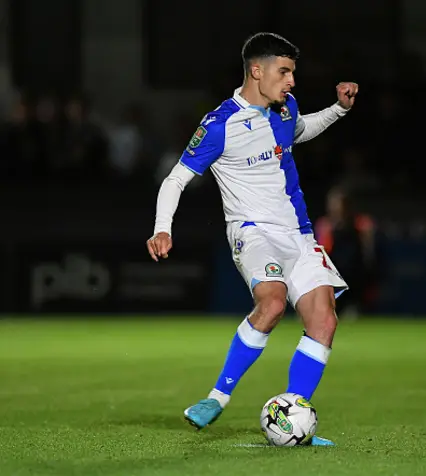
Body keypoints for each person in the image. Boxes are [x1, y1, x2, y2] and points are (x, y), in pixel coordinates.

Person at [146, 32, 358, 446]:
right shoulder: (219, 124)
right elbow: (175, 180)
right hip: (252, 231)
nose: (292, 81)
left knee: (324, 319)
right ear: (256, 71)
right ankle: (217, 397)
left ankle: (291, 417)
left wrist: (338, 110)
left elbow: (300, 130)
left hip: (298, 233)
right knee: (274, 302)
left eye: (293, 73)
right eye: (284, 72)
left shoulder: (284, 107)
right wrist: (162, 227)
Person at [315, 187, 379, 317]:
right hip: (334, 280)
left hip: (356, 280)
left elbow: (369, 254)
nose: (337, 209)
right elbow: (323, 255)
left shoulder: (362, 224)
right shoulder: (325, 226)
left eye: (341, 205)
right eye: (334, 205)